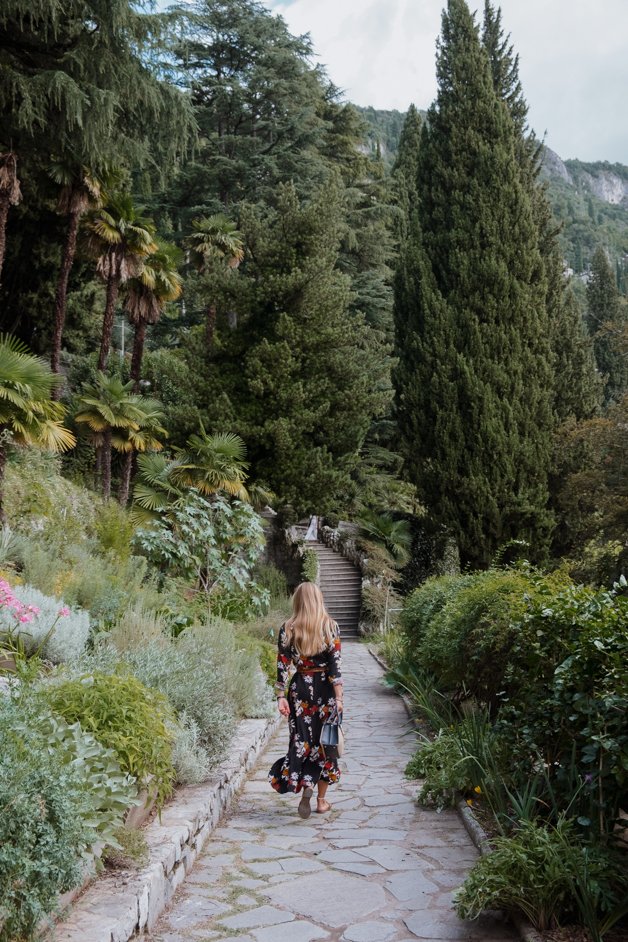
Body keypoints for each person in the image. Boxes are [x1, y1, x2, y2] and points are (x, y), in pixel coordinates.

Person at [268, 582, 343, 818]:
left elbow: (282, 666)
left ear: (297, 601)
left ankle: (306, 783)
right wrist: (339, 698)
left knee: (302, 741)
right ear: (319, 599)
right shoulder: (330, 627)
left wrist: (281, 697)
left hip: (299, 690)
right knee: (326, 745)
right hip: (325, 692)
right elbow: (335, 667)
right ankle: (320, 800)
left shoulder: (288, 628)